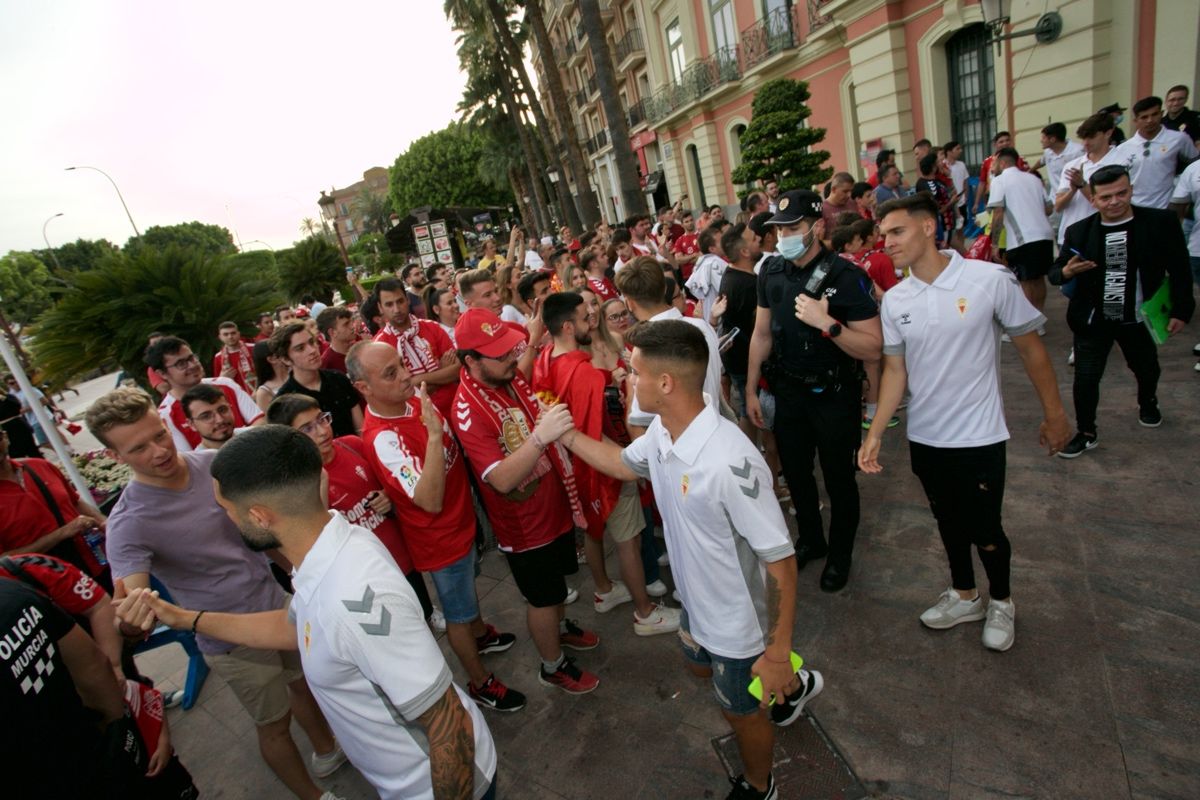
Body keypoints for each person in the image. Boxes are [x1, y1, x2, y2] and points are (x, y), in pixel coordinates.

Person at [119, 425, 498, 800]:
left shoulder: (351, 600)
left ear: (260, 517)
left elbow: (448, 726)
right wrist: (186, 619)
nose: (225, 518)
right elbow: (293, 627)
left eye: (225, 509)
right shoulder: (325, 551)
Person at [541, 320, 824, 800]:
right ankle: (792, 688)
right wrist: (564, 436)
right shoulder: (665, 434)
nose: (626, 381)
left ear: (665, 383)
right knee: (697, 669)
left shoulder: (729, 461)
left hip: (740, 626)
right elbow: (621, 465)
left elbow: (780, 562)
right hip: (697, 602)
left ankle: (761, 784)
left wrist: (775, 652)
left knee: (740, 712)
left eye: (634, 373)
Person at [90, 388, 347, 800]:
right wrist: (133, 617)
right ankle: (314, 796)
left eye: (159, 435)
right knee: (274, 724)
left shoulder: (214, 465)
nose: (158, 451)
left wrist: (306, 574)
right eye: (139, 447)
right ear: (114, 457)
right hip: (229, 638)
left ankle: (329, 751)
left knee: (307, 684)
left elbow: (267, 532)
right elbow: (131, 600)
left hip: (279, 605)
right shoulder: (128, 522)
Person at [860, 192, 1072, 652]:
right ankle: (964, 594)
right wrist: (875, 431)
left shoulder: (988, 280)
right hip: (926, 437)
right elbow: (895, 370)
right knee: (947, 522)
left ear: (928, 227)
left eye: (896, 232)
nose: (887, 243)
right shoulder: (896, 300)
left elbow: (1032, 350)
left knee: (986, 528)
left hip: (979, 436)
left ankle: (1002, 600)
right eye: (883, 235)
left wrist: (1055, 415)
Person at [346, 343, 526, 712]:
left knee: (467, 599)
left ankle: (480, 635)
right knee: (456, 615)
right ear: (363, 388)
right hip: (441, 541)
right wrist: (431, 436)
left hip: (462, 523)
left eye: (401, 365)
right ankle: (480, 683)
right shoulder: (383, 437)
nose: (406, 376)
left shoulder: (412, 401)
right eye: (390, 373)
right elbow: (429, 499)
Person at [450, 308, 601, 695]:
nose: (511, 360)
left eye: (508, 350)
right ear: (471, 361)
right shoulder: (466, 411)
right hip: (525, 524)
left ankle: (560, 629)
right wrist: (539, 438)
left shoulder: (506, 373)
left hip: (552, 505)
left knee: (556, 590)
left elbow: (528, 380)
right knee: (542, 598)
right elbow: (500, 479)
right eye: (498, 355)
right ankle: (552, 666)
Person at [745, 190, 882, 593]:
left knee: (839, 480)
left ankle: (840, 554)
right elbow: (761, 333)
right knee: (799, 476)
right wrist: (751, 391)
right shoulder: (770, 271)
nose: (784, 235)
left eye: (793, 227)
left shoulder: (845, 276)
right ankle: (811, 539)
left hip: (835, 394)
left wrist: (829, 325)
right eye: (779, 229)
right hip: (788, 393)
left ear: (818, 226)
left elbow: (873, 347)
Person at [533, 294, 680, 635]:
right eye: (586, 318)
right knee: (629, 541)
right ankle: (645, 613)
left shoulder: (544, 358)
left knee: (594, 531)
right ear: (568, 326)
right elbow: (593, 433)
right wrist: (626, 460)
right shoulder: (581, 371)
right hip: (600, 469)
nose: (592, 321)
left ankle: (603, 590)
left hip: (571, 468)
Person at [1050, 165, 1194, 457]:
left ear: (1130, 190)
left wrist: (1181, 310)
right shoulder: (1080, 231)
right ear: (1093, 199)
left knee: (1146, 368)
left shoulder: (1160, 222)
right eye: (1106, 197)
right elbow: (1054, 273)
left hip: (1137, 318)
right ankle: (1087, 432)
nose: (1114, 202)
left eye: (1121, 193)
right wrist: (1066, 271)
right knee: (1086, 379)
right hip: (1094, 320)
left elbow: (1180, 269)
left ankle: (1148, 401)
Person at [616, 257, 726, 426]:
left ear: (629, 303)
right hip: (716, 430)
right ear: (663, 289)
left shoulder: (646, 347)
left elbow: (639, 419)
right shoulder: (702, 326)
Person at [0, 427, 110, 586]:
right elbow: (4, 561)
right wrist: (61, 534)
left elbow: (75, 502)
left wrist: (105, 523)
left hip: (99, 564)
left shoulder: (38, 466)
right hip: (56, 587)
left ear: (5, 437)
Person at [146, 336, 264, 451]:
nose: (192, 365)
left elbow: (259, 422)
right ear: (162, 373)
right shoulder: (166, 416)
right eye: (181, 364)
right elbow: (189, 459)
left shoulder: (226, 385)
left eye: (191, 358)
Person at [375, 277, 460, 417]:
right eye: (389, 304)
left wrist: (417, 380)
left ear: (407, 299)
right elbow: (399, 392)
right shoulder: (380, 346)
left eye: (400, 301)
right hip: (420, 420)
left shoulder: (432, 327)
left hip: (455, 408)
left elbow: (457, 370)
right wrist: (441, 372)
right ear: (380, 307)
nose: (396, 309)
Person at [987, 147, 1055, 314]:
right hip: (1044, 235)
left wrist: (994, 244)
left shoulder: (999, 181)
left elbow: (998, 213)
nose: (993, 166)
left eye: (995, 162)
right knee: (1038, 279)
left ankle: (1029, 323)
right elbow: (1049, 209)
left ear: (1002, 162)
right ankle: (1038, 318)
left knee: (1025, 281)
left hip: (1023, 239)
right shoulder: (1033, 179)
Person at [272, 322, 363, 438]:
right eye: (300, 348)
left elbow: (360, 428)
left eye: (312, 342)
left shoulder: (338, 378)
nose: (312, 350)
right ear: (286, 359)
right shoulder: (284, 402)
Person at [1109, 95, 1200, 209]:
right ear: (1136, 121)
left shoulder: (1179, 139)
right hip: (1133, 208)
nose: (1150, 120)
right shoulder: (1123, 148)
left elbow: (1194, 166)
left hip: (1164, 207)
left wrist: (1179, 189)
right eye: (1144, 117)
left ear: (1161, 114)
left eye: (1154, 115)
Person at [1054, 113, 1117, 247]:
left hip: (1101, 237)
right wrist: (1072, 190)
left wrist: (1082, 184)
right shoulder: (1072, 165)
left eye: (1091, 137)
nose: (1085, 143)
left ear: (1108, 133)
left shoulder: (1119, 163)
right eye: (1083, 138)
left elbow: (1107, 205)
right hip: (1069, 237)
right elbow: (1058, 206)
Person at [976, 131, 1029, 213]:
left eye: (1007, 140)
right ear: (995, 144)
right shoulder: (987, 162)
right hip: (993, 197)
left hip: (1013, 197)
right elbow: (982, 183)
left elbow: (1026, 179)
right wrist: (976, 203)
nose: (1005, 143)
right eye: (1001, 142)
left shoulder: (1020, 160)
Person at [1033, 123, 1085, 202]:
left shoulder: (1078, 151)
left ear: (1053, 139)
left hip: (1074, 198)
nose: (1041, 141)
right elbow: (1041, 161)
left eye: (1043, 138)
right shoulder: (1048, 152)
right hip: (1055, 198)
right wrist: (1030, 171)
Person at [916, 153, 957, 249]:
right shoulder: (923, 184)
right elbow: (934, 209)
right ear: (933, 167)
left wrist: (949, 176)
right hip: (939, 225)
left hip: (949, 222)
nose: (941, 163)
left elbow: (952, 190)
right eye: (938, 162)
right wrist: (951, 203)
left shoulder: (939, 180)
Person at [181, 383, 237, 450]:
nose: (220, 420)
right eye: (206, 416)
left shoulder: (251, 435)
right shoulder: (201, 460)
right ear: (191, 424)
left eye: (222, 410)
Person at [212, 321, 257, 393]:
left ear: (239, 334)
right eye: (226, 334)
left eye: (233, 333)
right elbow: (218, 383)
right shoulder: (218, 357)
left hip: (258, 393)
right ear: (220, 337)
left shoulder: (253, 348)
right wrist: (222, 378)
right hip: (237, 397)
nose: (230, 337)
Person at [317, 307, 358, 374]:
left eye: (351, 321)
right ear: (332, 332)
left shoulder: (360, 348)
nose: (352, 327)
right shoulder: (326, 365)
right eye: (346, 324)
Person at [253, 340, 290, 412]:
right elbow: (271, 420)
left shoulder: (296, 373)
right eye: (282, 351)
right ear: (272, 359)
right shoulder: (264, 392)